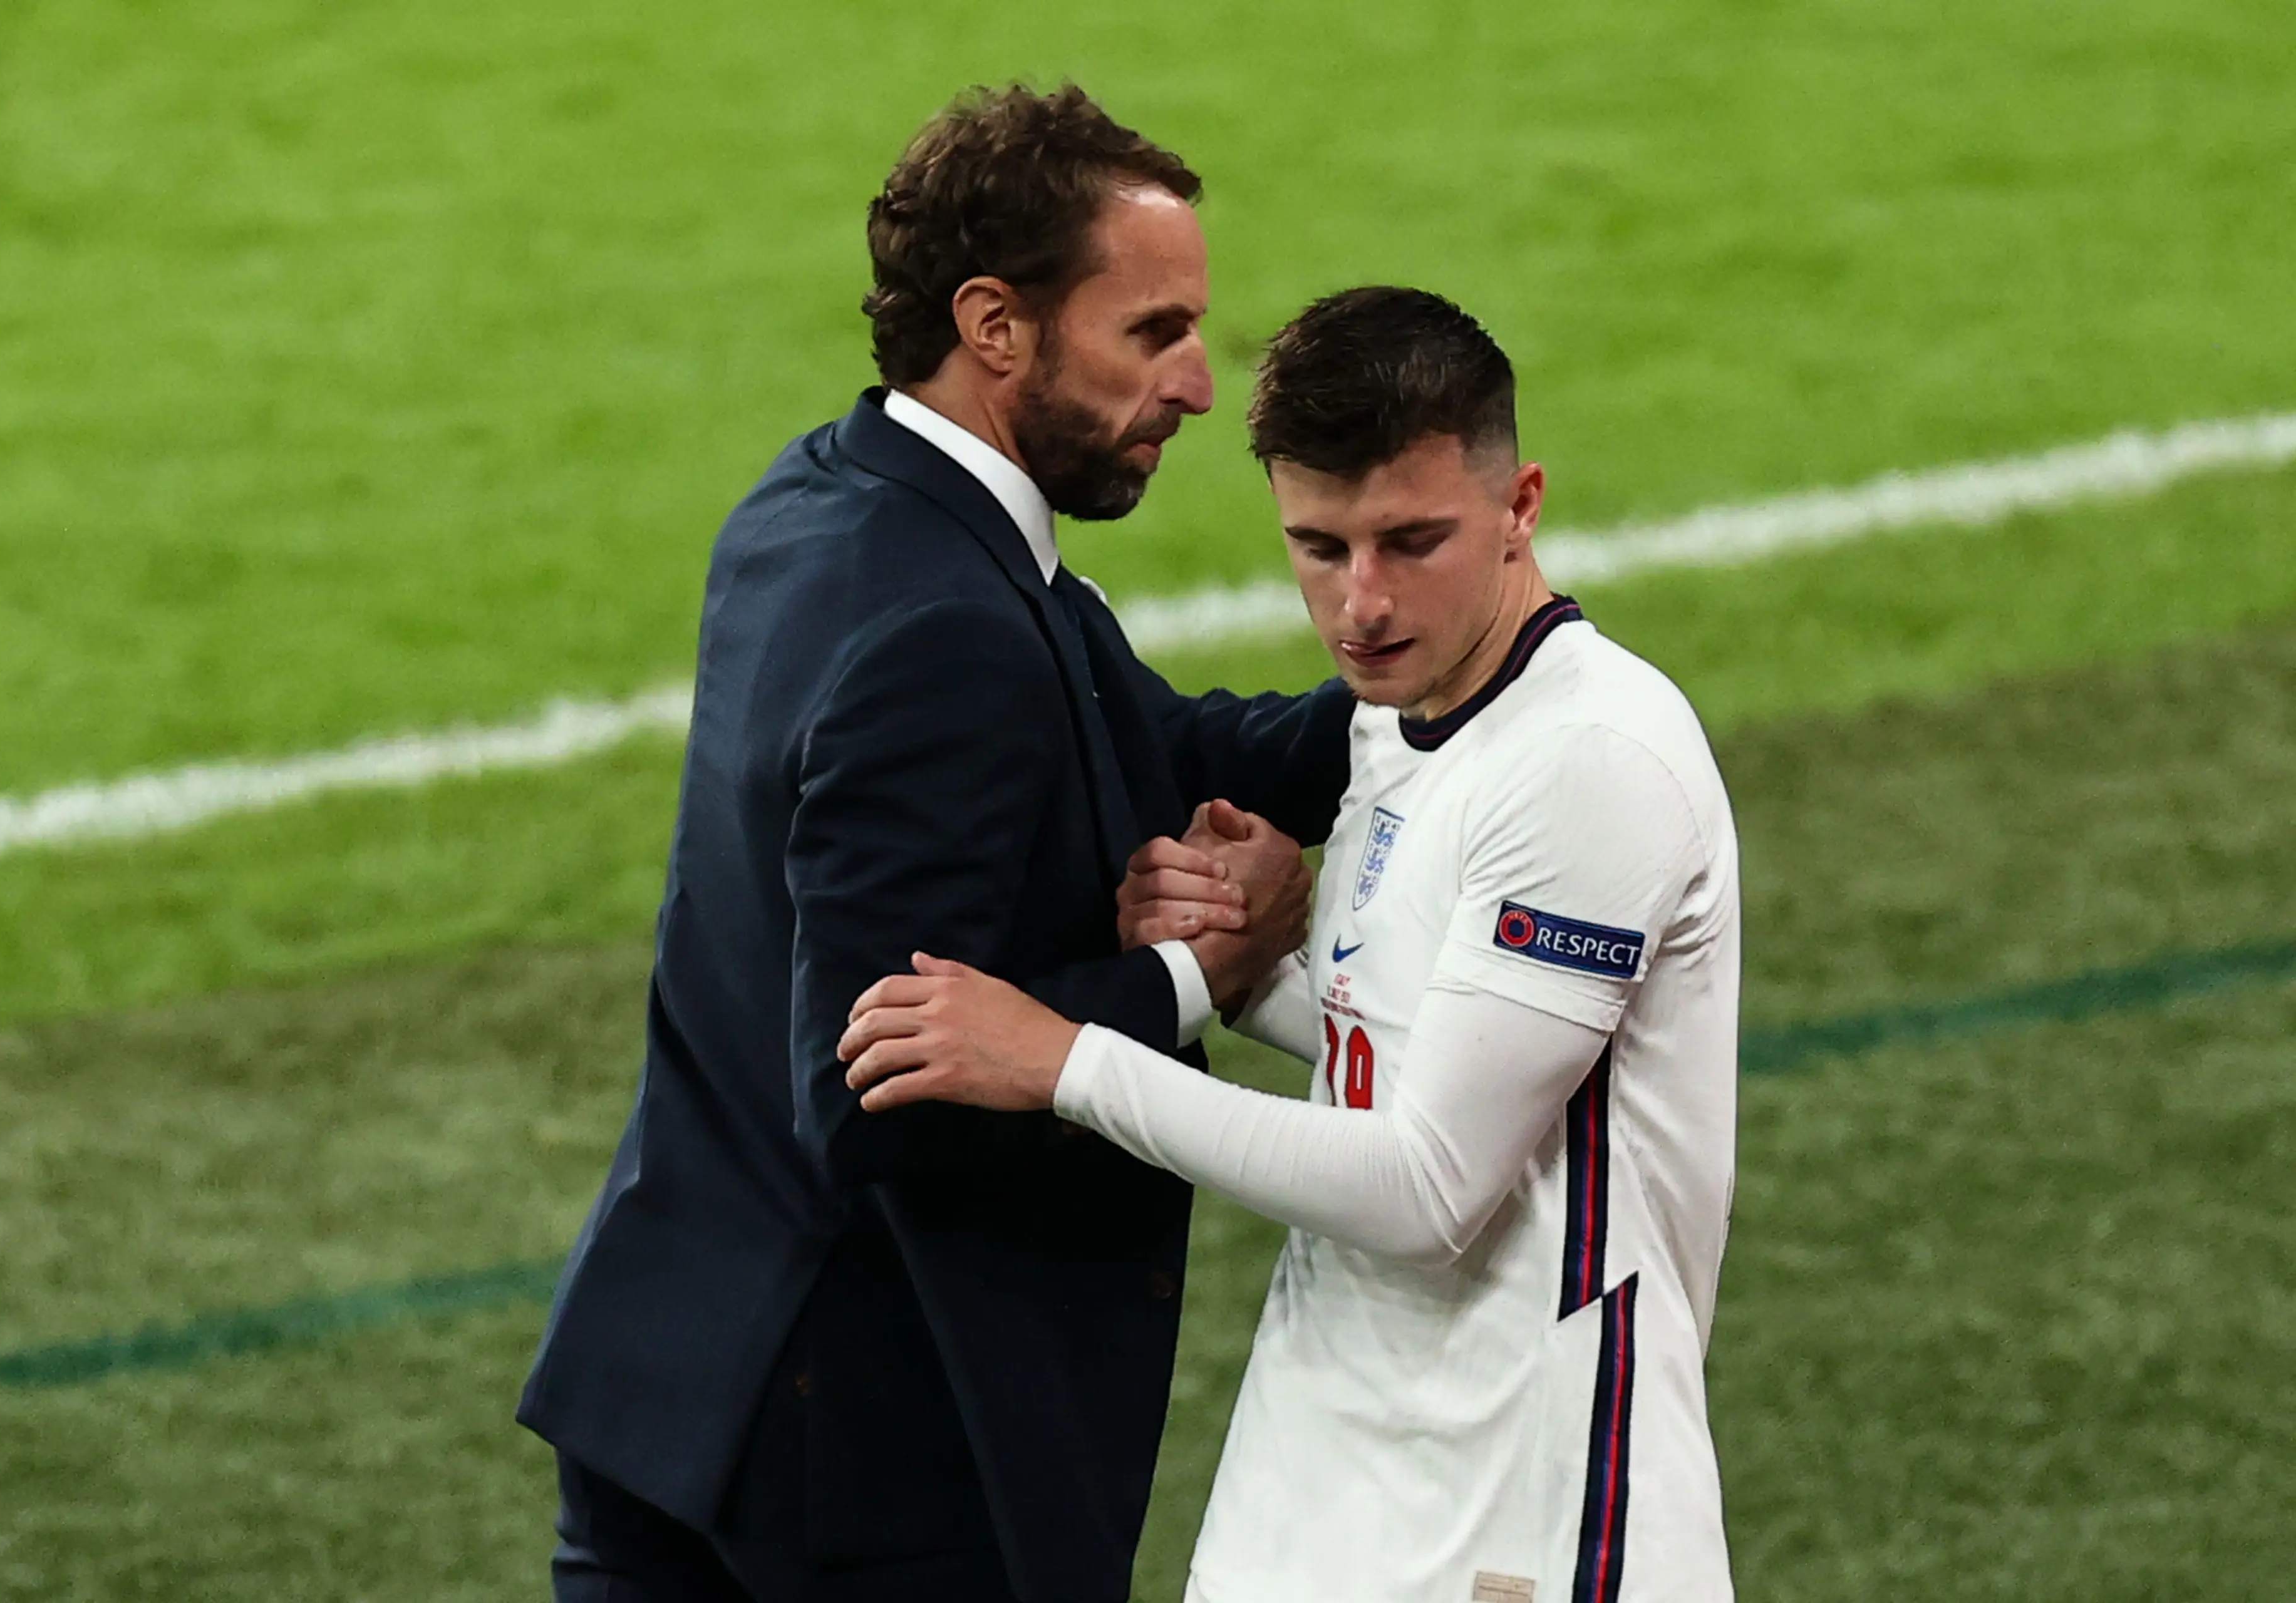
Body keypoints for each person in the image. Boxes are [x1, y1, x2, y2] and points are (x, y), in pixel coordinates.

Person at [514, 86, 1355, 1603]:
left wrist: (1466, 677)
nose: (1196, 387)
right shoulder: (946, 628)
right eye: (1152, 331)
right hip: (854, 1465)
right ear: (996, 325)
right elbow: (876, 1096)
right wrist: (1187, 971)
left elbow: (1144, 740)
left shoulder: (829, 502)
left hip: (684, 1378)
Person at [840, 287, 1742, 1603]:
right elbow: (1418, 1051)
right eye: (1319, 547)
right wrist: (1256, 971)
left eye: (1410, 541)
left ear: (1522, 503)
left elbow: (1430, 1184)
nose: (1360, 603)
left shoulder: (1588, 761)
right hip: (1326, 1478)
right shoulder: (1404, 703)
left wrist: (1068, 1059)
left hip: (1528, 1513)